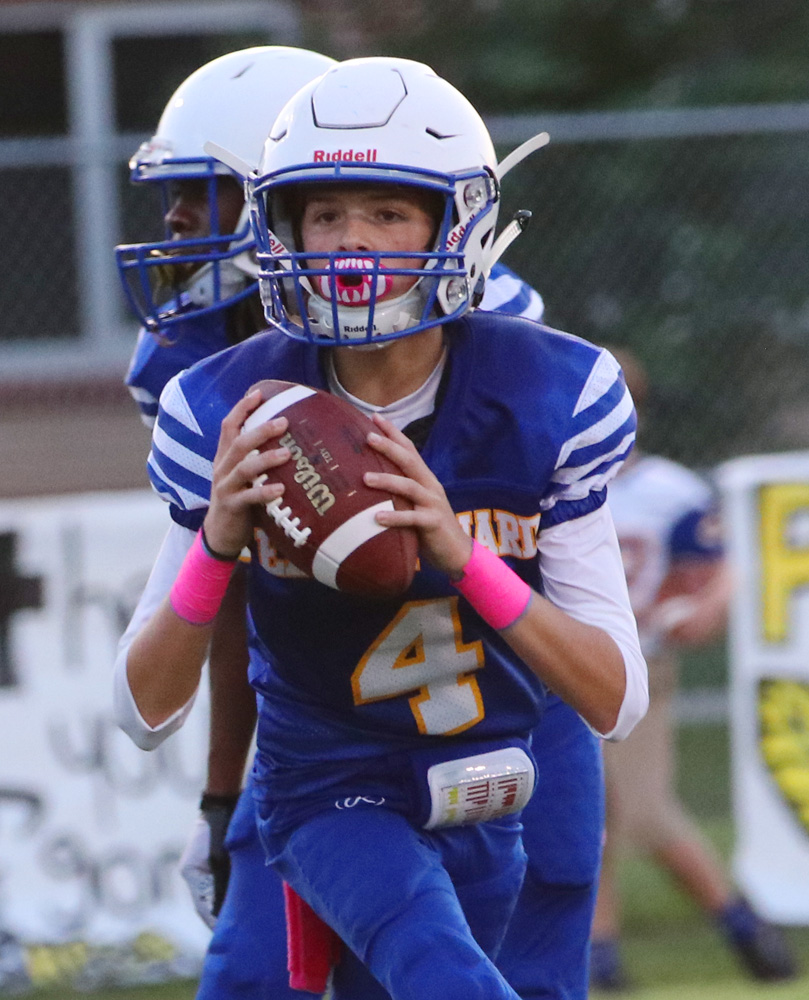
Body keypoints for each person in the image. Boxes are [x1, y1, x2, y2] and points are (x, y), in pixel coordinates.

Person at [114, 56, 648, 999]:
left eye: (388, 212)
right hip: (333, 769)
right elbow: (144, 707)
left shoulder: (538, 382)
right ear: (282, 223)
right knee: (416, 964)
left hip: (502, 749)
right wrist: (216, 544)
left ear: (456, 225)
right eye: (324, 214)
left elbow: (614, 700)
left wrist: (463, 556)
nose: (351, 244)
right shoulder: (224, 401)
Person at [587, 348, 798, 991]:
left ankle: (743, 928)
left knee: (643, 810)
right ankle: (600, 957)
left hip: (641, 662)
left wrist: (704, 606)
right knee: (589, 817)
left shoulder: (669, 489)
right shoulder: (551, 479)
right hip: (564, 665)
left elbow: (722, 566)